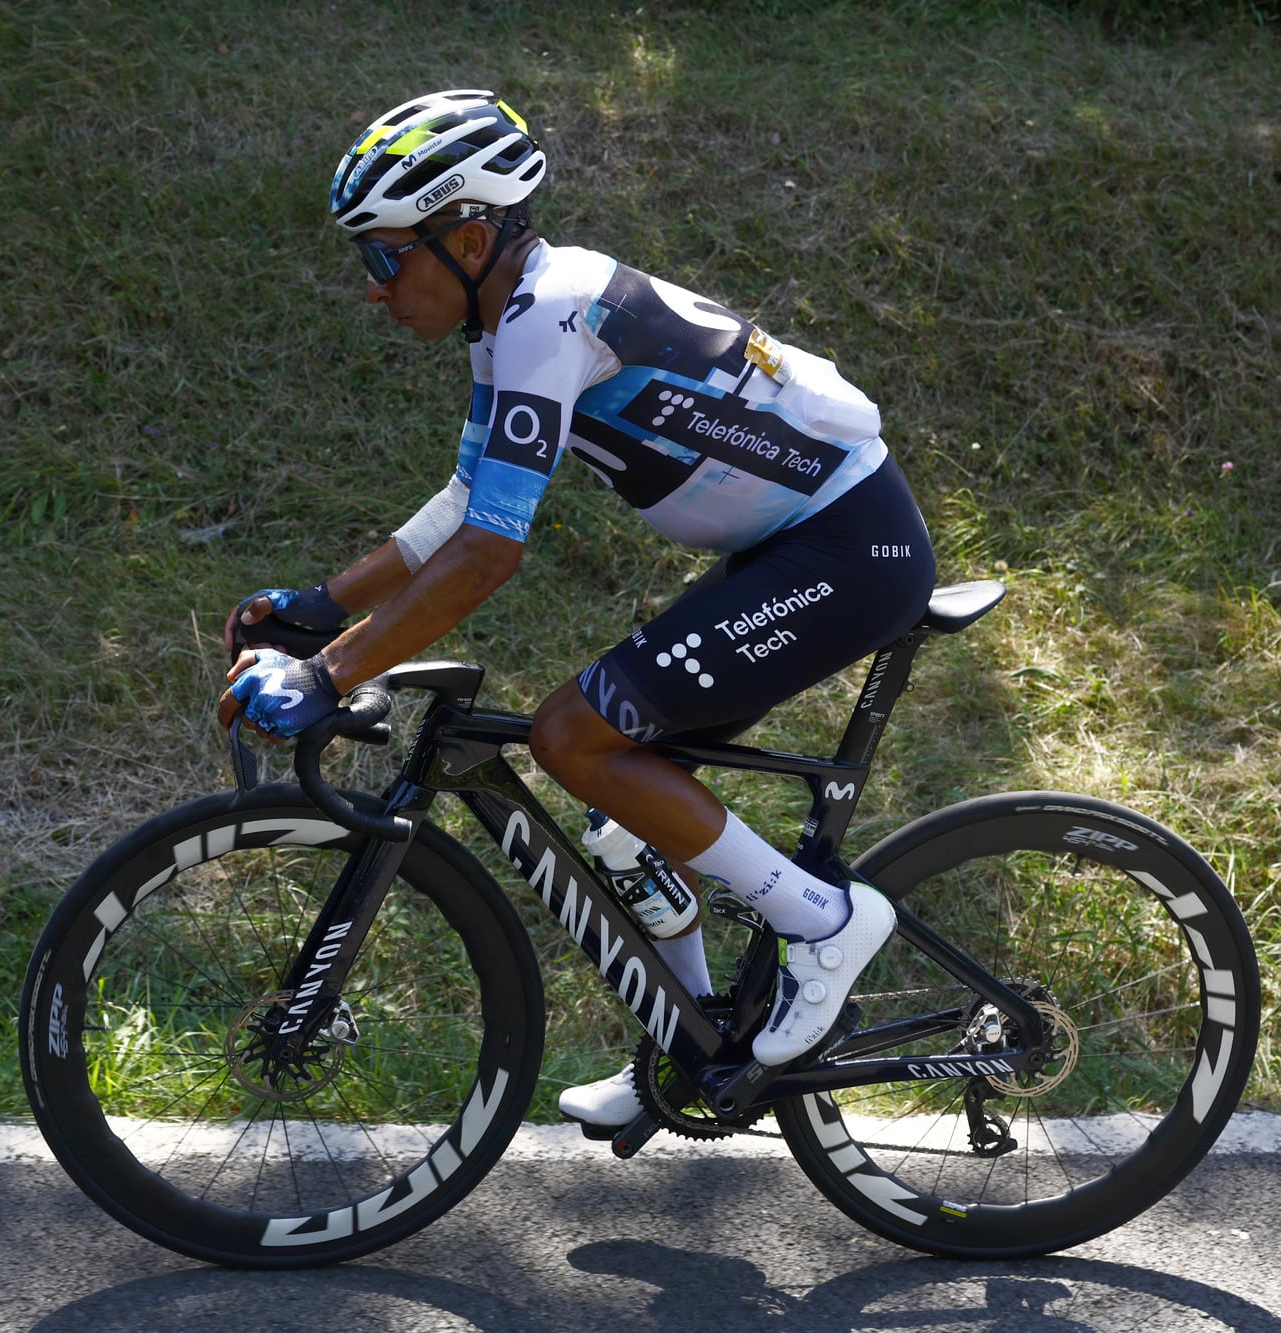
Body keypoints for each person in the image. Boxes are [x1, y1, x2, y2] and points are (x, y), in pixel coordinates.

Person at [217, 90, 936, 1131]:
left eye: (381, 257)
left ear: (466, 237)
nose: (372, 291)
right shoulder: (509, 319)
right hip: (790, 545)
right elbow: (465, 503)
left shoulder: (551, 312)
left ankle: (823, 922)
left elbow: (488, 553)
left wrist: (331, 672)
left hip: (846, 546)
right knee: (621, 814)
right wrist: (319, 606)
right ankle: (693, 1046)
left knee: (572, 733)